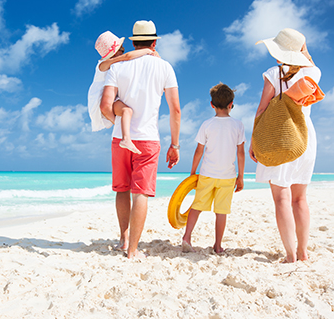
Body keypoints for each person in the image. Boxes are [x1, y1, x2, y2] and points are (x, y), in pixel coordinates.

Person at [100, 20, 181, 259]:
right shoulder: (165, 67)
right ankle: (133, 250)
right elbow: (175, 110)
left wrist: (120, 124)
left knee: (122, 190)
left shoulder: (116, 67)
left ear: (133, 42)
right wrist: (174, 144)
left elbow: (106, 106)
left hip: (120, 139)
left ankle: (123, 240)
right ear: (154, 42)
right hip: (147, 140)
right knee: (141, 194)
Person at [249, 28, 321, 263]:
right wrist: (304, 51)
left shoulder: (273, 73)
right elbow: (308, 64)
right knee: (300, 199)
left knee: (281, 198)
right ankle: (303, 251)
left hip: (279, 135)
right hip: (304, 136)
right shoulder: (314, 72)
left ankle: (290, 255)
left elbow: (262, 109)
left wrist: (254, 140)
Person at [181, 83, 245, 254]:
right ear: (231, 104)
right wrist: (241, 176)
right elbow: (241, 153)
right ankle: (217, 245)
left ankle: (187, 237)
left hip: (207, 174)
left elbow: (198, 151)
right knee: (221, 212)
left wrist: (192, 173)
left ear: (212, 105)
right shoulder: (238, 125)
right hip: (228, 176)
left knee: (197, 206)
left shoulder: (207, 124)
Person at [88, 31, 153, 154]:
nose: (124, 49)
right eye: (121, 49)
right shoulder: (102, 65)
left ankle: (125, 138)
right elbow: (128, 57)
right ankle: (126, 138)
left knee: (126, 111)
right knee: (126, 111)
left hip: (110, 97)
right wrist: (148, 51)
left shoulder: (113, 64)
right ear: (113, 53)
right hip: (100, 99)